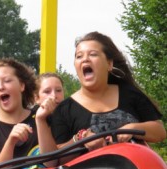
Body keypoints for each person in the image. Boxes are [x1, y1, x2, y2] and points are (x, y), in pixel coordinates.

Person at [37, 31, 166, 158]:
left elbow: (160, 132)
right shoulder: (65, 109)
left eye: (93, 54)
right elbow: (56, 160)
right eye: (79, 56)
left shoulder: (130, 94)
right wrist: (81, 139)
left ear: (109, 64)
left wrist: (132, 128)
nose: (85, 59)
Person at [0, 58, 55, 169]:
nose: (1, 87)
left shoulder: (43, 115)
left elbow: (52, 163)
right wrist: (11, 142)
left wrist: (40, 121)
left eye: (7, 81)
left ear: (22, 85)